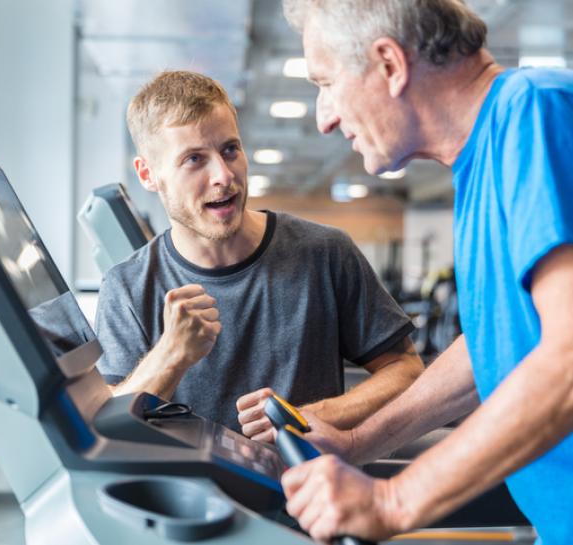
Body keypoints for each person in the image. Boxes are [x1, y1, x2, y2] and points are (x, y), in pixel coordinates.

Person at [279, 1, 573, 544]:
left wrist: (392, 501)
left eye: (326, 83)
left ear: (390, 65)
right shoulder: (482, 157)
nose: (325, 118)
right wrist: (359, 442)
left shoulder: (536, 111)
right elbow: (492, 345)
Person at [95, 70, 423, 436]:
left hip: (309, 488)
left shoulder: (325, 254)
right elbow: (111, 430)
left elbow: (405, 369)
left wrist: (313, 417)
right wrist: (171, 354)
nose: (223, 175)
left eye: (230, 150)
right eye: (194, 160)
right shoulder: (126, 287)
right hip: (192, 492)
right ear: (148, 174)